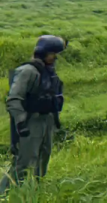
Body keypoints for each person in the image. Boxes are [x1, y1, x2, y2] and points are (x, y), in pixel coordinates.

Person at [0, 35, 66, 194]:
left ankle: (36, 192)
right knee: (23, 163)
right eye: (52, 53)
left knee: (44, 158)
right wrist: (21, 122)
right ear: (42, 52)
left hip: (46, 120)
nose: (54, 57)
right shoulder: (28, 71)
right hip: (31, 121)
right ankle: (4, 194)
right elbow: (14, 99)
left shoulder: (48, 71)